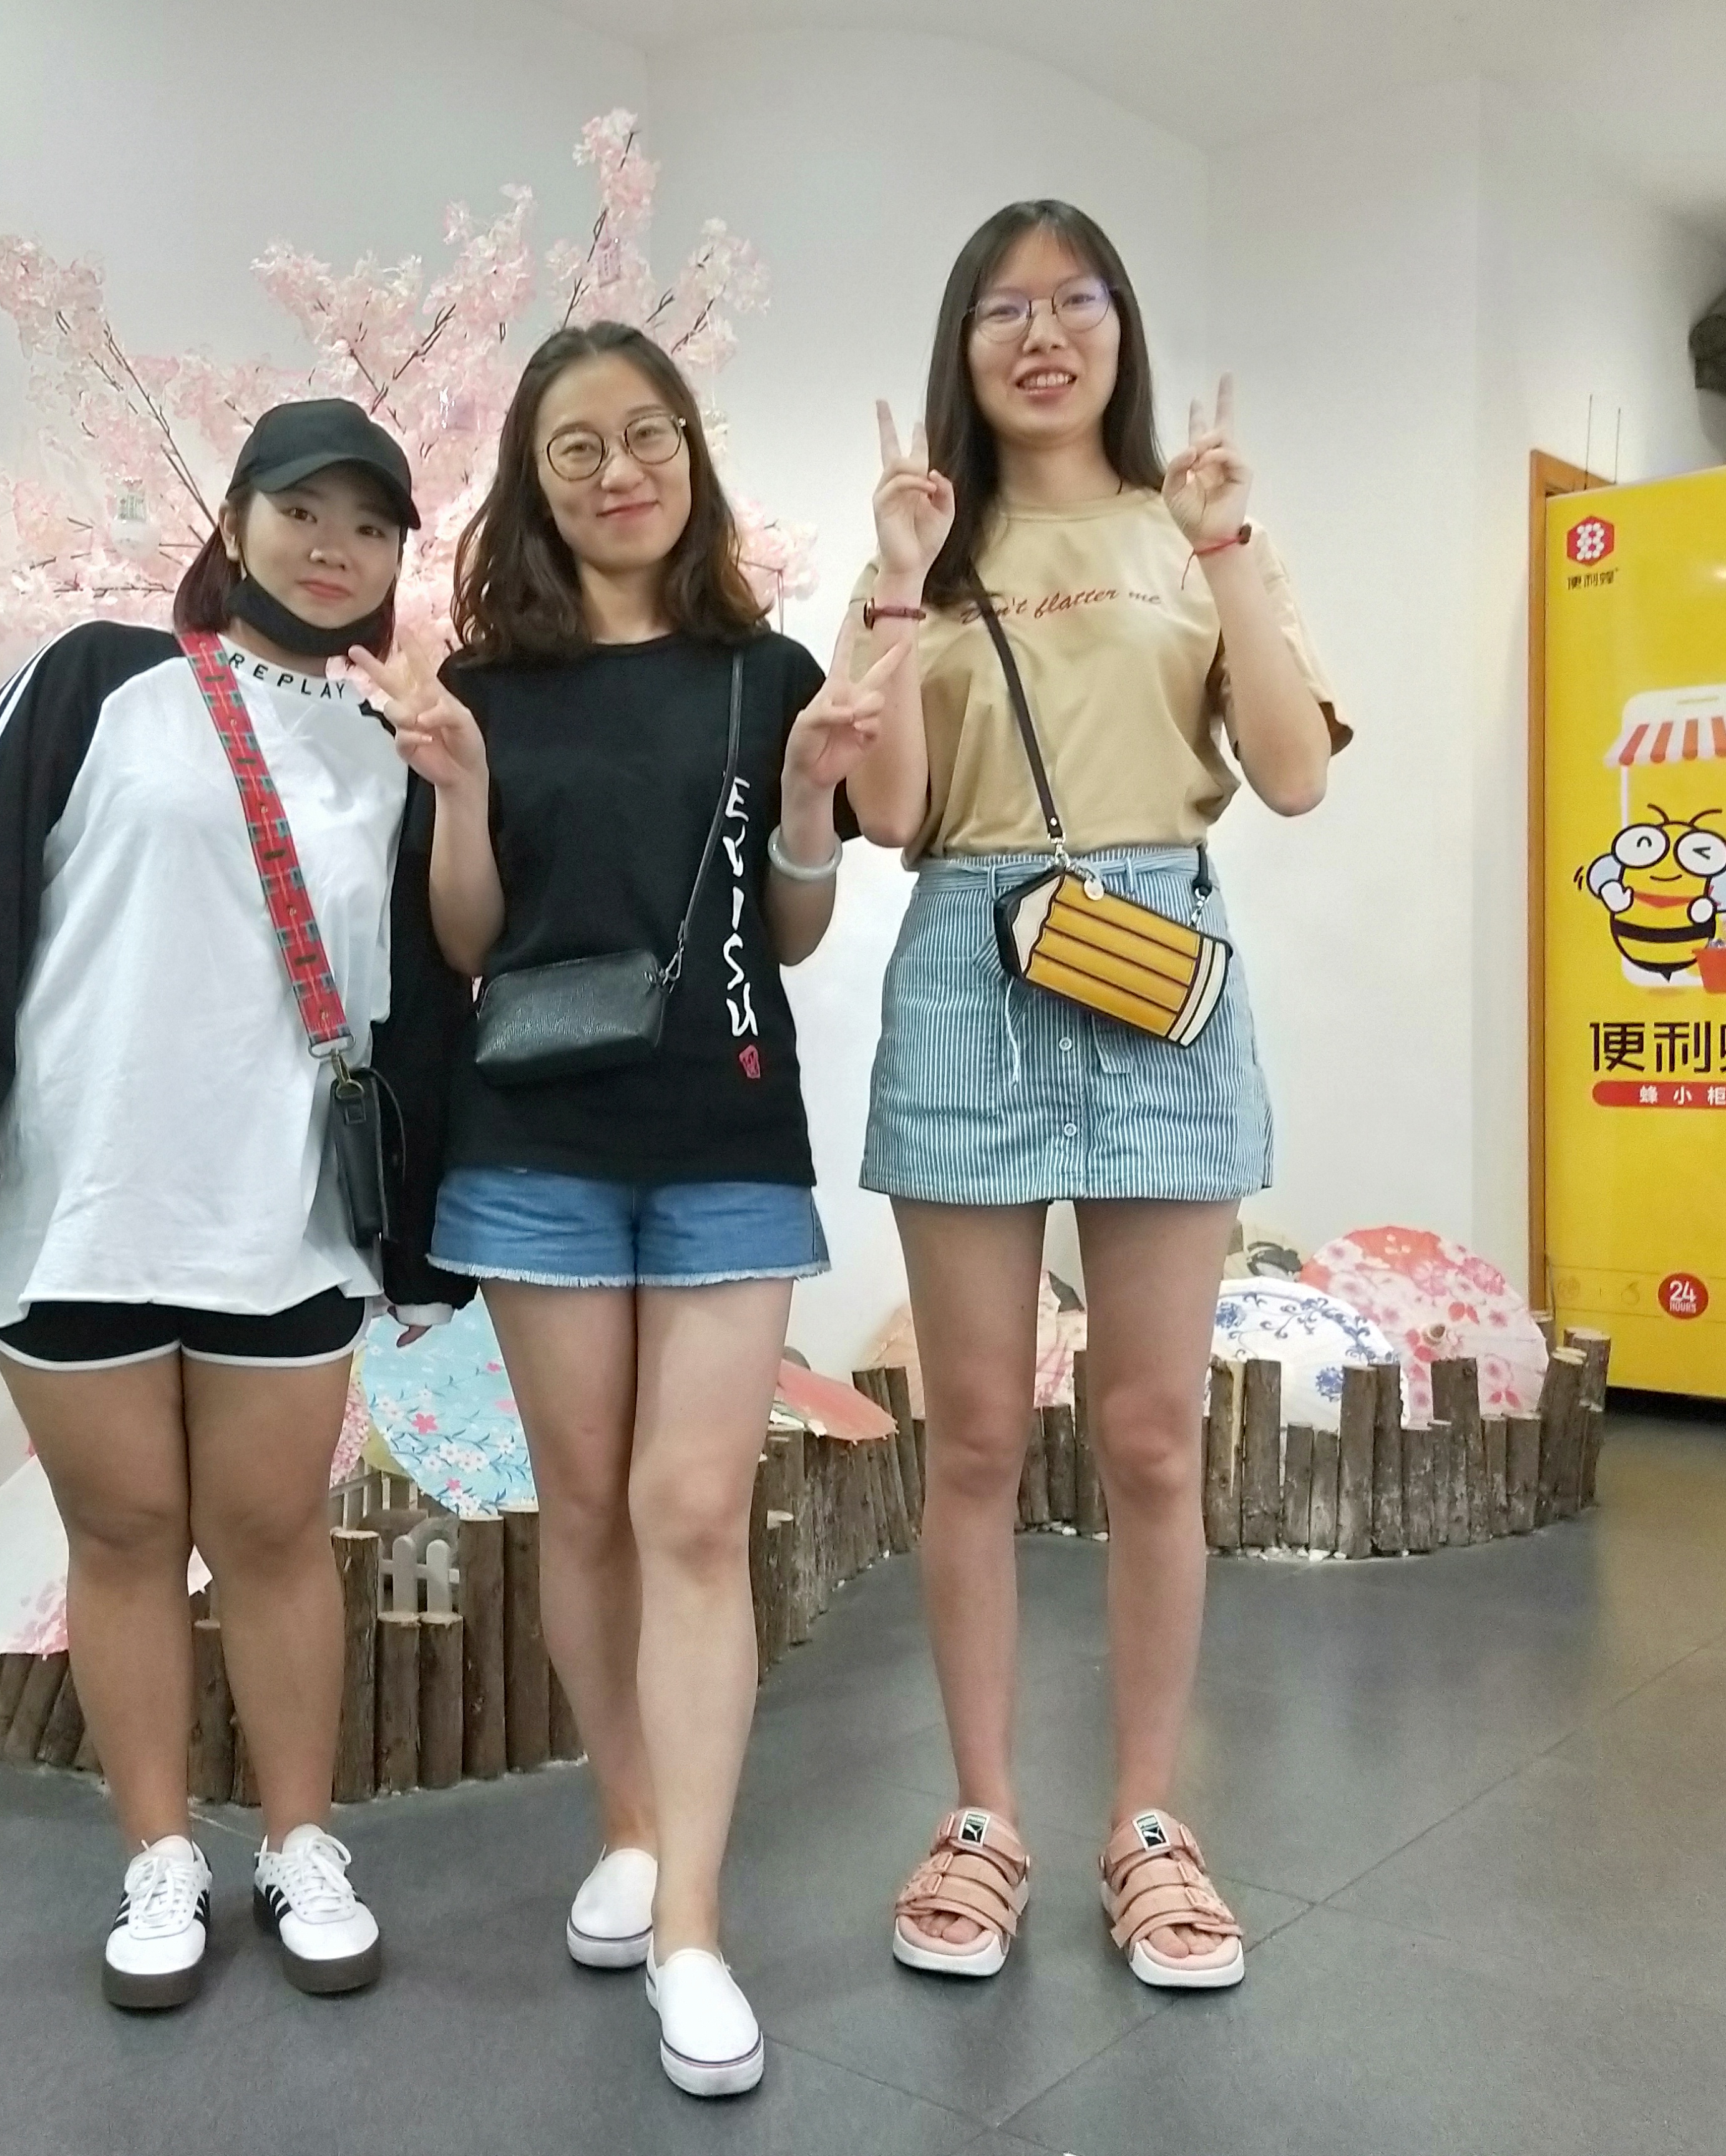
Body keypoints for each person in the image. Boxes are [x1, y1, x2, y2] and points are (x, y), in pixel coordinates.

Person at [0, 399, 472, 2013]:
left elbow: (424, 997)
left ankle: (302, 1842)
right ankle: (160, 1854)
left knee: (273, 1535)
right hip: (84, 1194)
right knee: (122, 1536)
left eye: (371, 526)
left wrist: (422, 1235)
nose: (333, 547)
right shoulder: (96, 680)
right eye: (303, 511)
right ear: (236, 521)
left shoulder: (396, 746)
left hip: (280, 1209)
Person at [346, 322, 897, 2097]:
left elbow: (790, 930)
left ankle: (694, 1934)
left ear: (691, 456)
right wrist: (456, 790)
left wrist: (805, 794)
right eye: (576, 447)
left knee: (690, 1513)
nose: (618, 472)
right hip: (534, 1148)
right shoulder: (486, 689)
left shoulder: (766, 671)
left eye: (647, 434)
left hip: (725, 1136)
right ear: (536, 481)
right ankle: (633, 1826)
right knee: (583, 1508)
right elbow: (465, 940)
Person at [838, 202, 1346, 1990]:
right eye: (1003, 308)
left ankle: (1149, 1822)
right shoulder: (926, 540)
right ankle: (982, 1817)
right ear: (960, 345)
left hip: (1157, 964)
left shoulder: (1187, 532)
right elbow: (890, 812)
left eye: (1076, 302)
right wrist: (895, 581)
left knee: (1148, 1436)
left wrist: (1229, 546)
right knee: (974, 1435)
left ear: (1122, 330)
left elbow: (1292, 771)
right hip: (968, 965)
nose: (1041, 334)